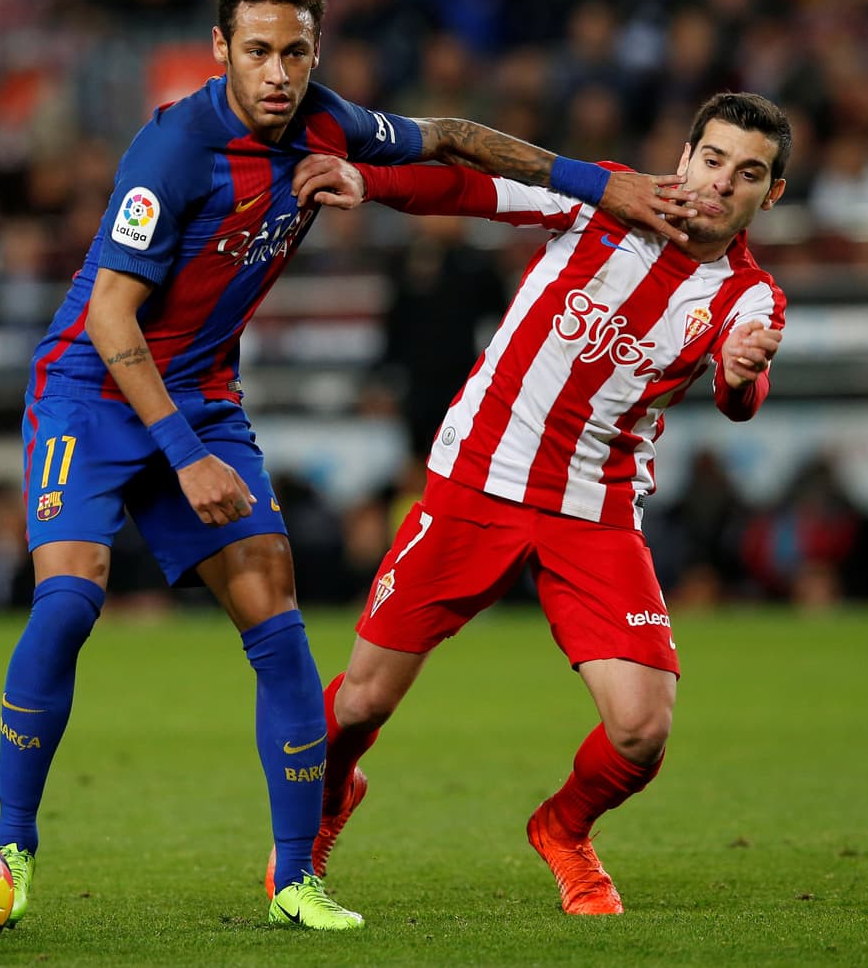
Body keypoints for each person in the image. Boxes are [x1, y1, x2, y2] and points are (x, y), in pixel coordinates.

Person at [0, 0, 694, 934]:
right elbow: (112, 318)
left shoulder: (327, 122)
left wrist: (601, 186)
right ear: (218, 52)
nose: (277, 73)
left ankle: (291, 879)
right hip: (89, 392)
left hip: (201, 395)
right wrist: (183, 455)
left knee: (277, 625)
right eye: (256, 52)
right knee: (69, 600)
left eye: (294, 51)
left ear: (314, 50)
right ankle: (9, 850)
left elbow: (448, 136)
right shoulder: (172, 150)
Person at [273, 91, 791, 915]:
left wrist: (737, 375)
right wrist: (370, 184)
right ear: (687, 153)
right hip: (479, 476)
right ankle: (326, 803)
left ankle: (563, 828)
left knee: (642, 727)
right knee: (364, 698)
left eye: (750, 173)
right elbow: (471, 191)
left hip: (596, 510)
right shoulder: (610, 196)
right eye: (715, 159)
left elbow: (743, 381)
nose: (724, 183)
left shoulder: (749, 295)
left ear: (772, 195)